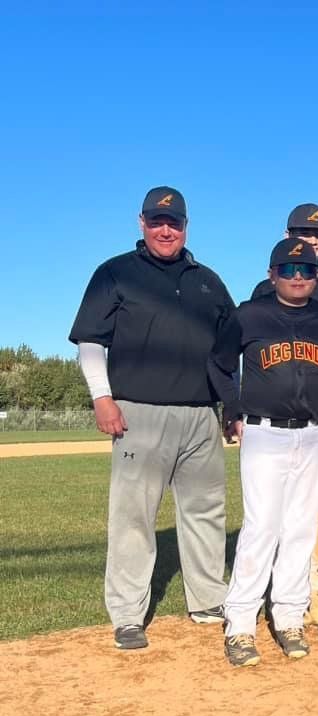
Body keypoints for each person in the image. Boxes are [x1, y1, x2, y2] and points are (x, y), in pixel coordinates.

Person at [69, 186, 234, 649]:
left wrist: (230, 406)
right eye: (157, 221)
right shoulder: (116, 273)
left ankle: (207, 600)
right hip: (138, 412)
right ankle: (127, 614)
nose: (166, 229)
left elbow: (226, 354)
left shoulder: (208, 281)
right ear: (141, 223)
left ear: (185, 226)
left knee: (206, 513)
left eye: (174, 222)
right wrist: (102, 396)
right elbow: (90, 341)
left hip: (201, 414)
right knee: (133, 517)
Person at [208, 238, 318, 666]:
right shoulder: (250, 314)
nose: (296, 277)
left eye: (305, 270)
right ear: (271, 274)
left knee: (301, 527)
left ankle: (289, 615)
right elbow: (219, 363)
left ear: (316, 276)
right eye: (287, 269)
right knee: (261, 528)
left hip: (312, 434)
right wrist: (232, 407)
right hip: (264, 433)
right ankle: (239, 623)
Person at [251, 203, 318, 628]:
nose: (311, 239)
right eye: (302, 231)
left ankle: (314, 583)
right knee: (268, 506)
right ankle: (267, 585)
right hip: (271, 416)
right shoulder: (264, 289)